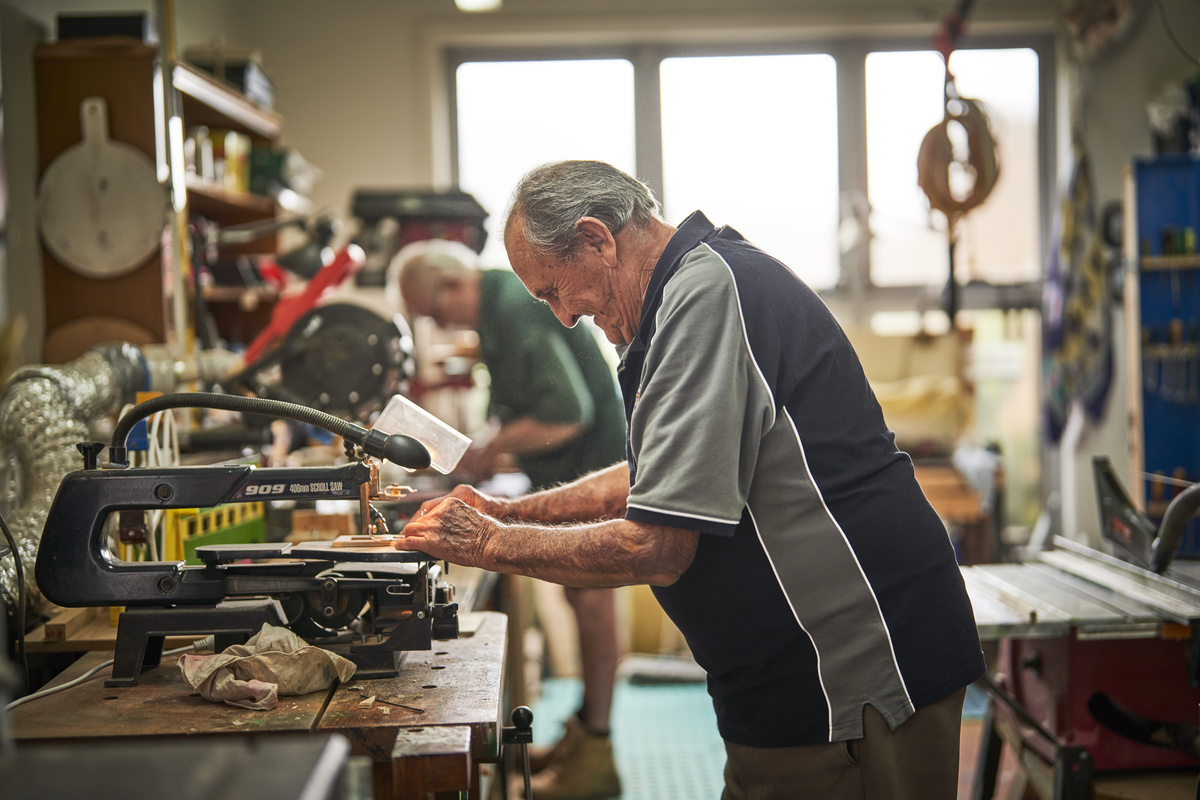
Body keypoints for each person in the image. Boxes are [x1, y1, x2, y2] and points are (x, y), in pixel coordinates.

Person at [395, 160, 986, 800]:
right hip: (785, 681)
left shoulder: (705, 296)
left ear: (598, 240)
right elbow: (659, 473)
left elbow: (658, 545)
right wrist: (507, 515)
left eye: (556, 291)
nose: (564, 317)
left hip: (855, 662)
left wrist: (484, 544)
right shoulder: (681, 299)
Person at [389, 237, 626, 800]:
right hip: (576, 467)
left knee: (592, 602)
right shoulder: (498, 311)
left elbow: (566, 413)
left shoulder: (513, 306)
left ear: (451, 286)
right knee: (579, 599)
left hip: (595, 469)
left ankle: (598, 747)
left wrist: (486, 452)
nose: (440, 324)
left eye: (433, 312)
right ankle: (586, 733)